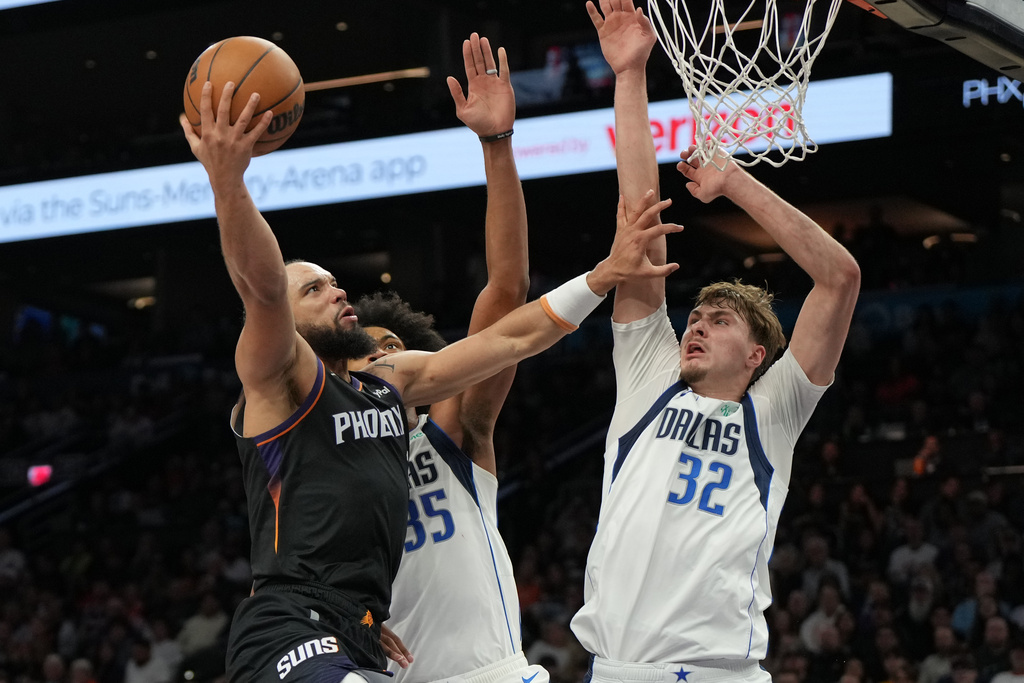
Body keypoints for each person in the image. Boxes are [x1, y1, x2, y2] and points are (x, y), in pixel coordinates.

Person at [178, 60, 682, 682]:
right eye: (320, 289)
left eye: (399, 350)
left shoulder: (436, 422)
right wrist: (228, 184)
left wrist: (503, 151)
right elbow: (261, 290)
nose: (390, 358)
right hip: (329, 643)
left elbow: (509, 307)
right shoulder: (288, 386)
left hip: (451, 663)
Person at [569, 1, 861, 681]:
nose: (695, 324)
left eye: (719, 320)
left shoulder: (776, 408)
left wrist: (733, 180)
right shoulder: (648, 374)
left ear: (759, 355)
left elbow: (839, 276)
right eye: (695, 316)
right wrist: (631, 74)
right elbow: (637, 215)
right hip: (616, 669)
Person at [343, 34, 546, 683]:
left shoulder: (455, 429)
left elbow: (508, 288)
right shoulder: (330, 471)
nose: (377, 359)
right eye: (359, 353)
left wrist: (496, 144)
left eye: (387, 348)